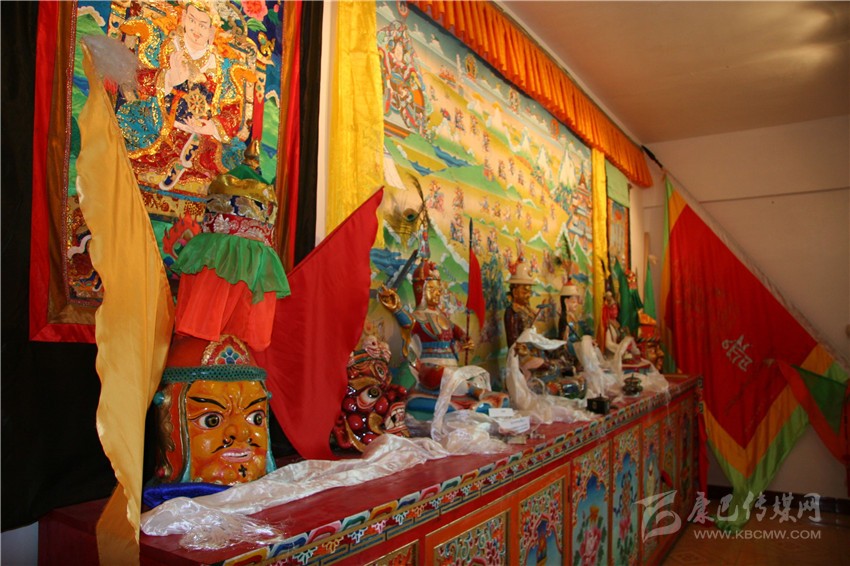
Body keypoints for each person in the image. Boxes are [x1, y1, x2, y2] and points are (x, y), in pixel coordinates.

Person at [116, 0, 251, 197]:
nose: (196, 29)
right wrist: (169, 79)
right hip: (161, 125)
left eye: (203, 25)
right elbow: (141, 79)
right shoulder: (167, 47)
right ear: (184, 18)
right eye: (192, 20)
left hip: (200, 138)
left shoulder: (222, 67)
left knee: (222, 161)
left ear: (211, 31)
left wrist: (212, 126)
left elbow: (232, 111)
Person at [378, 260, 509, 414]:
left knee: (476, 375)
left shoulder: (443, 318)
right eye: (432, 289)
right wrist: (397, 309)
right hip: (432, 370)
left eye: (438, 289)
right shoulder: (419, 317)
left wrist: (466, 340)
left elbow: (458, 332)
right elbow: (408, 323)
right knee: (445, 374)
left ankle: (472, 392)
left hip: (453, 369)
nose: (437, 293)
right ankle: (473, 392)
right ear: (420, 290)